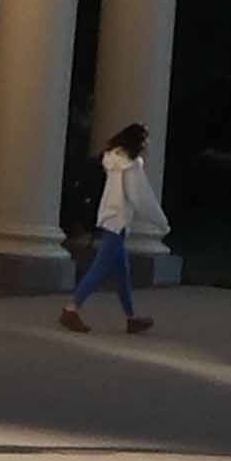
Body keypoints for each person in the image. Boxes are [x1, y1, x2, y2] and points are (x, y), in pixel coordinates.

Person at [61, 120, 158, 336]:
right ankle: (71, 309)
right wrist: (161, 222)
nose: (147, 146)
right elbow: (141, 198)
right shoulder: (131, 166)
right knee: (100, 269)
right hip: (118, 222)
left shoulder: (113, 160)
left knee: (123, 273)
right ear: (138, 142)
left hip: (109, 217)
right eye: (145, 141)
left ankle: (131, 318)